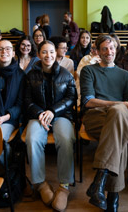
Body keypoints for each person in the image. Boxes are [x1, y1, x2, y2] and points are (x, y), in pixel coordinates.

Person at [80, 35, 128, 212]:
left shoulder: (124, 75)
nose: (108, 52)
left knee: (119, 118)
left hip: (117, 120)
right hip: (95, 117)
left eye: (111, 48)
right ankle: (113, 195)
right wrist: (120, 105)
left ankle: (100, 183)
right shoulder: (89, 71)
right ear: (97, 51)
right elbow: (88, 101)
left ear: (116, 50)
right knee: (119, 119)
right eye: (104, 48)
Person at [24, 40, 76, 211]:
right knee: (32, 139)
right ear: (38, 54)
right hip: (38, 116)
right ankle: (39, 183)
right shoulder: (30, 75)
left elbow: (70, 98)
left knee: (66, 139)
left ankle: (64, 186)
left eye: (52, 52)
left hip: (61, 115)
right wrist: (40, 113)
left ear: (57, 53)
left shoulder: (66, 74)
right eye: (44, 52)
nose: (49, 55)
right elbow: (27, 100)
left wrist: (53, 111)